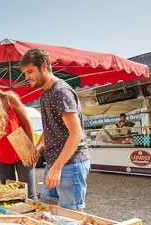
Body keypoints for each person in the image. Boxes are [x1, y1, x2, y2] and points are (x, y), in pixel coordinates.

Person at [19, 47, 91, 211]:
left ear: (44, 66)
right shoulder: (45, 94)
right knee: (47, 208)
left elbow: (76, 134)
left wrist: (57, 167)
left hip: (70, 163)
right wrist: (37, 149)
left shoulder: (61, 92)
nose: (27, 77)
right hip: (54, 161)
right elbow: (49, 128)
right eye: (25, 73)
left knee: (71, 215)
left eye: (30, 72)